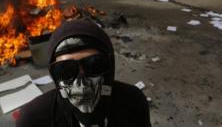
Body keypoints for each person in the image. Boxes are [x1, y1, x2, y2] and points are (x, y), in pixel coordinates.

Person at [17, 20, 151, 127]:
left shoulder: (133, 102)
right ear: (54, 75)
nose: (81, 84)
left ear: (110, 65)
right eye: (65, 69)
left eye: (94, 64)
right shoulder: (33, 120)